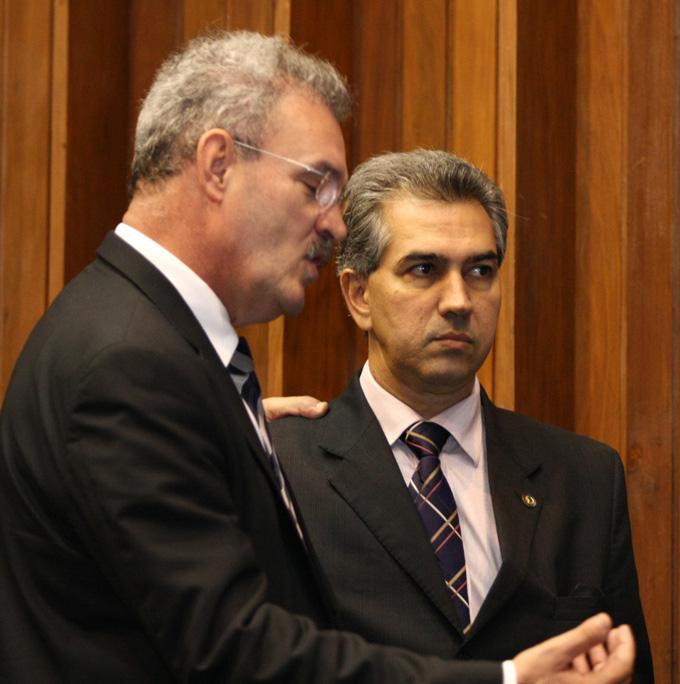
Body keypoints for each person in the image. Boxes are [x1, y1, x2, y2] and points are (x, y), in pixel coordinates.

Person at [0, 31, 634, 683]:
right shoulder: (131, 364)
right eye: (315, 185)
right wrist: (507, 681)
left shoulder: (146, 346)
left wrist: (223, 433)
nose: (334, 224)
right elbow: (235, 649)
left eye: (481, 270)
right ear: (218, 165)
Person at [272, 149, 654, 681]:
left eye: (480, 271)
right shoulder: (281, 465)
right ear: (359, 296)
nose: (458, 300)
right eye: (424, 269)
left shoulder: (585, 477)